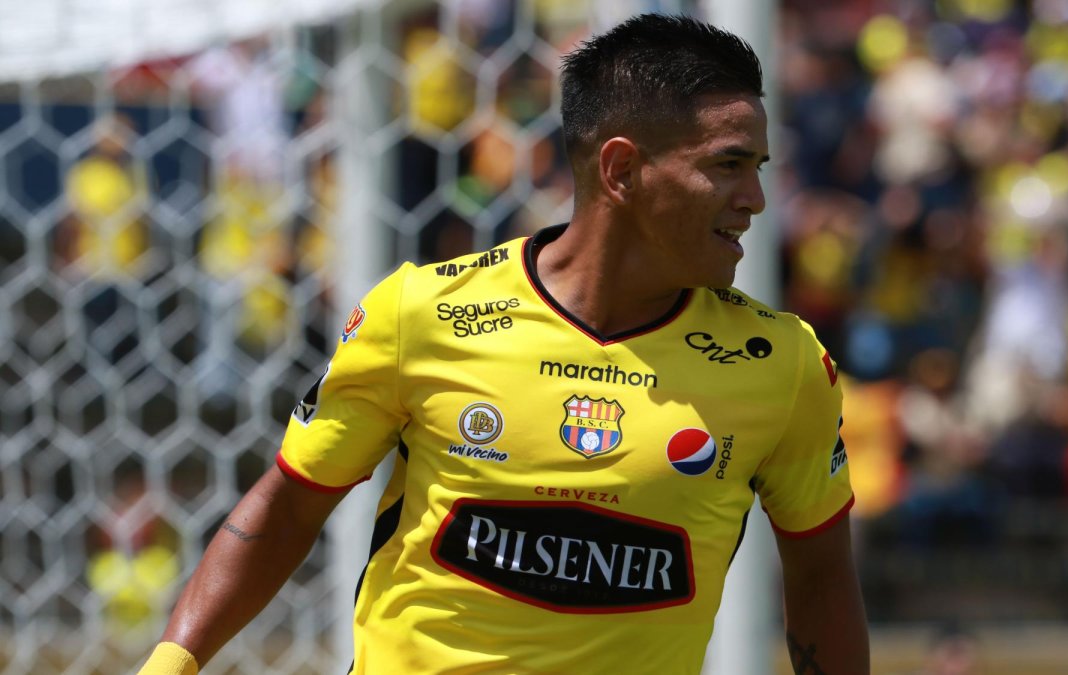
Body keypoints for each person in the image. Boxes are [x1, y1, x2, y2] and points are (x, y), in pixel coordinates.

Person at [138, 14, 869, 674]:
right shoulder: (423, 314)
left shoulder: (782, 364)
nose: (755, 200)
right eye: (728, 165)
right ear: (621, 169)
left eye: (758, 169)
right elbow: (288, 508)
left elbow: (821, 578)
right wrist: (170, 665)